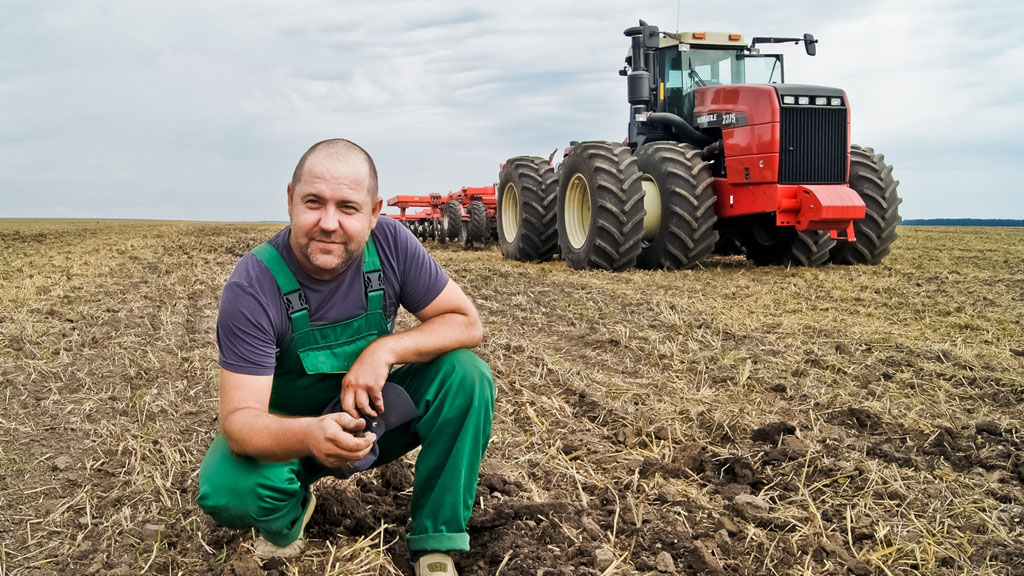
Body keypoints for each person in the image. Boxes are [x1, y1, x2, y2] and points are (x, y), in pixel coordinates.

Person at [197, 138, 494, 576]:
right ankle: (289, 512)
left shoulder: (391, 246)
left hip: (372, 419)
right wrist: (313, 435)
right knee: (227, 491)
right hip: (289, 436)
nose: (328, 223)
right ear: (290, 200)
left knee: (466, 376)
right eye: (314, 202)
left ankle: (436, 539)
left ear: (374, 213)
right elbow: (241, 422)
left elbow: (468, 324)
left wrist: (385, 349)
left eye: (348, 208)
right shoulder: (254, 285)